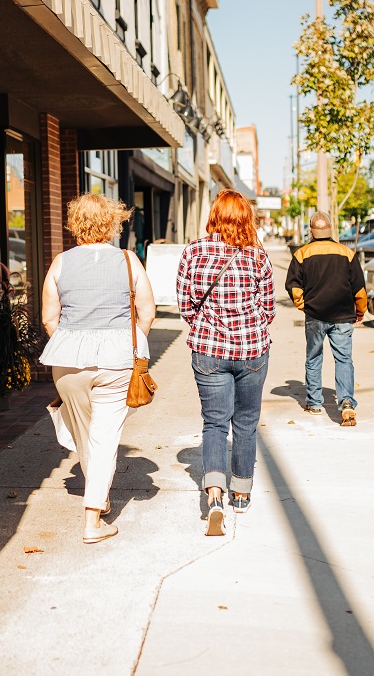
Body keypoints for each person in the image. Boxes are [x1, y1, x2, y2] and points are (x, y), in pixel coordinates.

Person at [40, 194, 155, 544]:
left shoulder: (60, 262)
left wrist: (71, 341)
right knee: (104, 438)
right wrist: (129, 341)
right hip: (117, 360)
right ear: (111, 223)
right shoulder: (128, 259)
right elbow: (147, 312)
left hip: (67, 360)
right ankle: (93, 519)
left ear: (75, 223)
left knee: (84, 434)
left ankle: (98, 496)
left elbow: (49, 318)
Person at [176, 189, 276, 535]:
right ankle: (242, 493)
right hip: (251, 350)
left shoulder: (193, 251)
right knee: (246, 424)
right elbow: (269, 310)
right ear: (246, 218)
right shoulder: (258, 257)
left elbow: (186, 305)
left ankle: (214, 496)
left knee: (214, 424)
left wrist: (208, 326)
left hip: (209, 351)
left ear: (215, 215)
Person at [285, 211, 367, 425]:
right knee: (344, 359)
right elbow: (359, 289)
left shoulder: (302, 254)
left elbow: (293, 287)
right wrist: (360, 310)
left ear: (311, 231)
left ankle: (314, 403)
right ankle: (347, 403)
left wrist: (305, 307)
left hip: (315, 316)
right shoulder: (346, 253)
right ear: (331, 229)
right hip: (342, 317)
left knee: (314, 358)